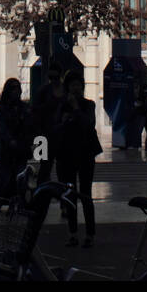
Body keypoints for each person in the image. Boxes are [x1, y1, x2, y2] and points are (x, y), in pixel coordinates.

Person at [54, 72, 103, 248]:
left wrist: (75, 109)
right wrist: (66, 120)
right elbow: (56, 127)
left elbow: (88, 124)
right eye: (72, 85)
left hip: (85, 154)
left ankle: (90, 233)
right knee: (70, 195)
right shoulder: (62, 106)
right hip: (67, 154)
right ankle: (72, 233)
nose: (75, 88)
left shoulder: (88, 105)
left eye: (78, 85)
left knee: (86, 194)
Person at [0, 78, 31, 204]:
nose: (16, 92)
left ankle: (19, 198)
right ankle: (1, 198)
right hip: (7, 148)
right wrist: (9, 140)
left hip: (21, 146)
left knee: (21, 174)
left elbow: (30, 126)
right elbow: (2, 128)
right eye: (13, 89)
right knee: (5, 174)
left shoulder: (24, 107)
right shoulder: (3, 109)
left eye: (17, 89)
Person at [31, 63, 65, 183]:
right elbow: (34, 111)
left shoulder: (65, 91)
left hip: (61, 135)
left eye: (56, 77)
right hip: (44, 134)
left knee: (62, 166)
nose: (54, 80)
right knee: (45, 166)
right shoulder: (43, 91)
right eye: (51, 77)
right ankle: (41, 190)